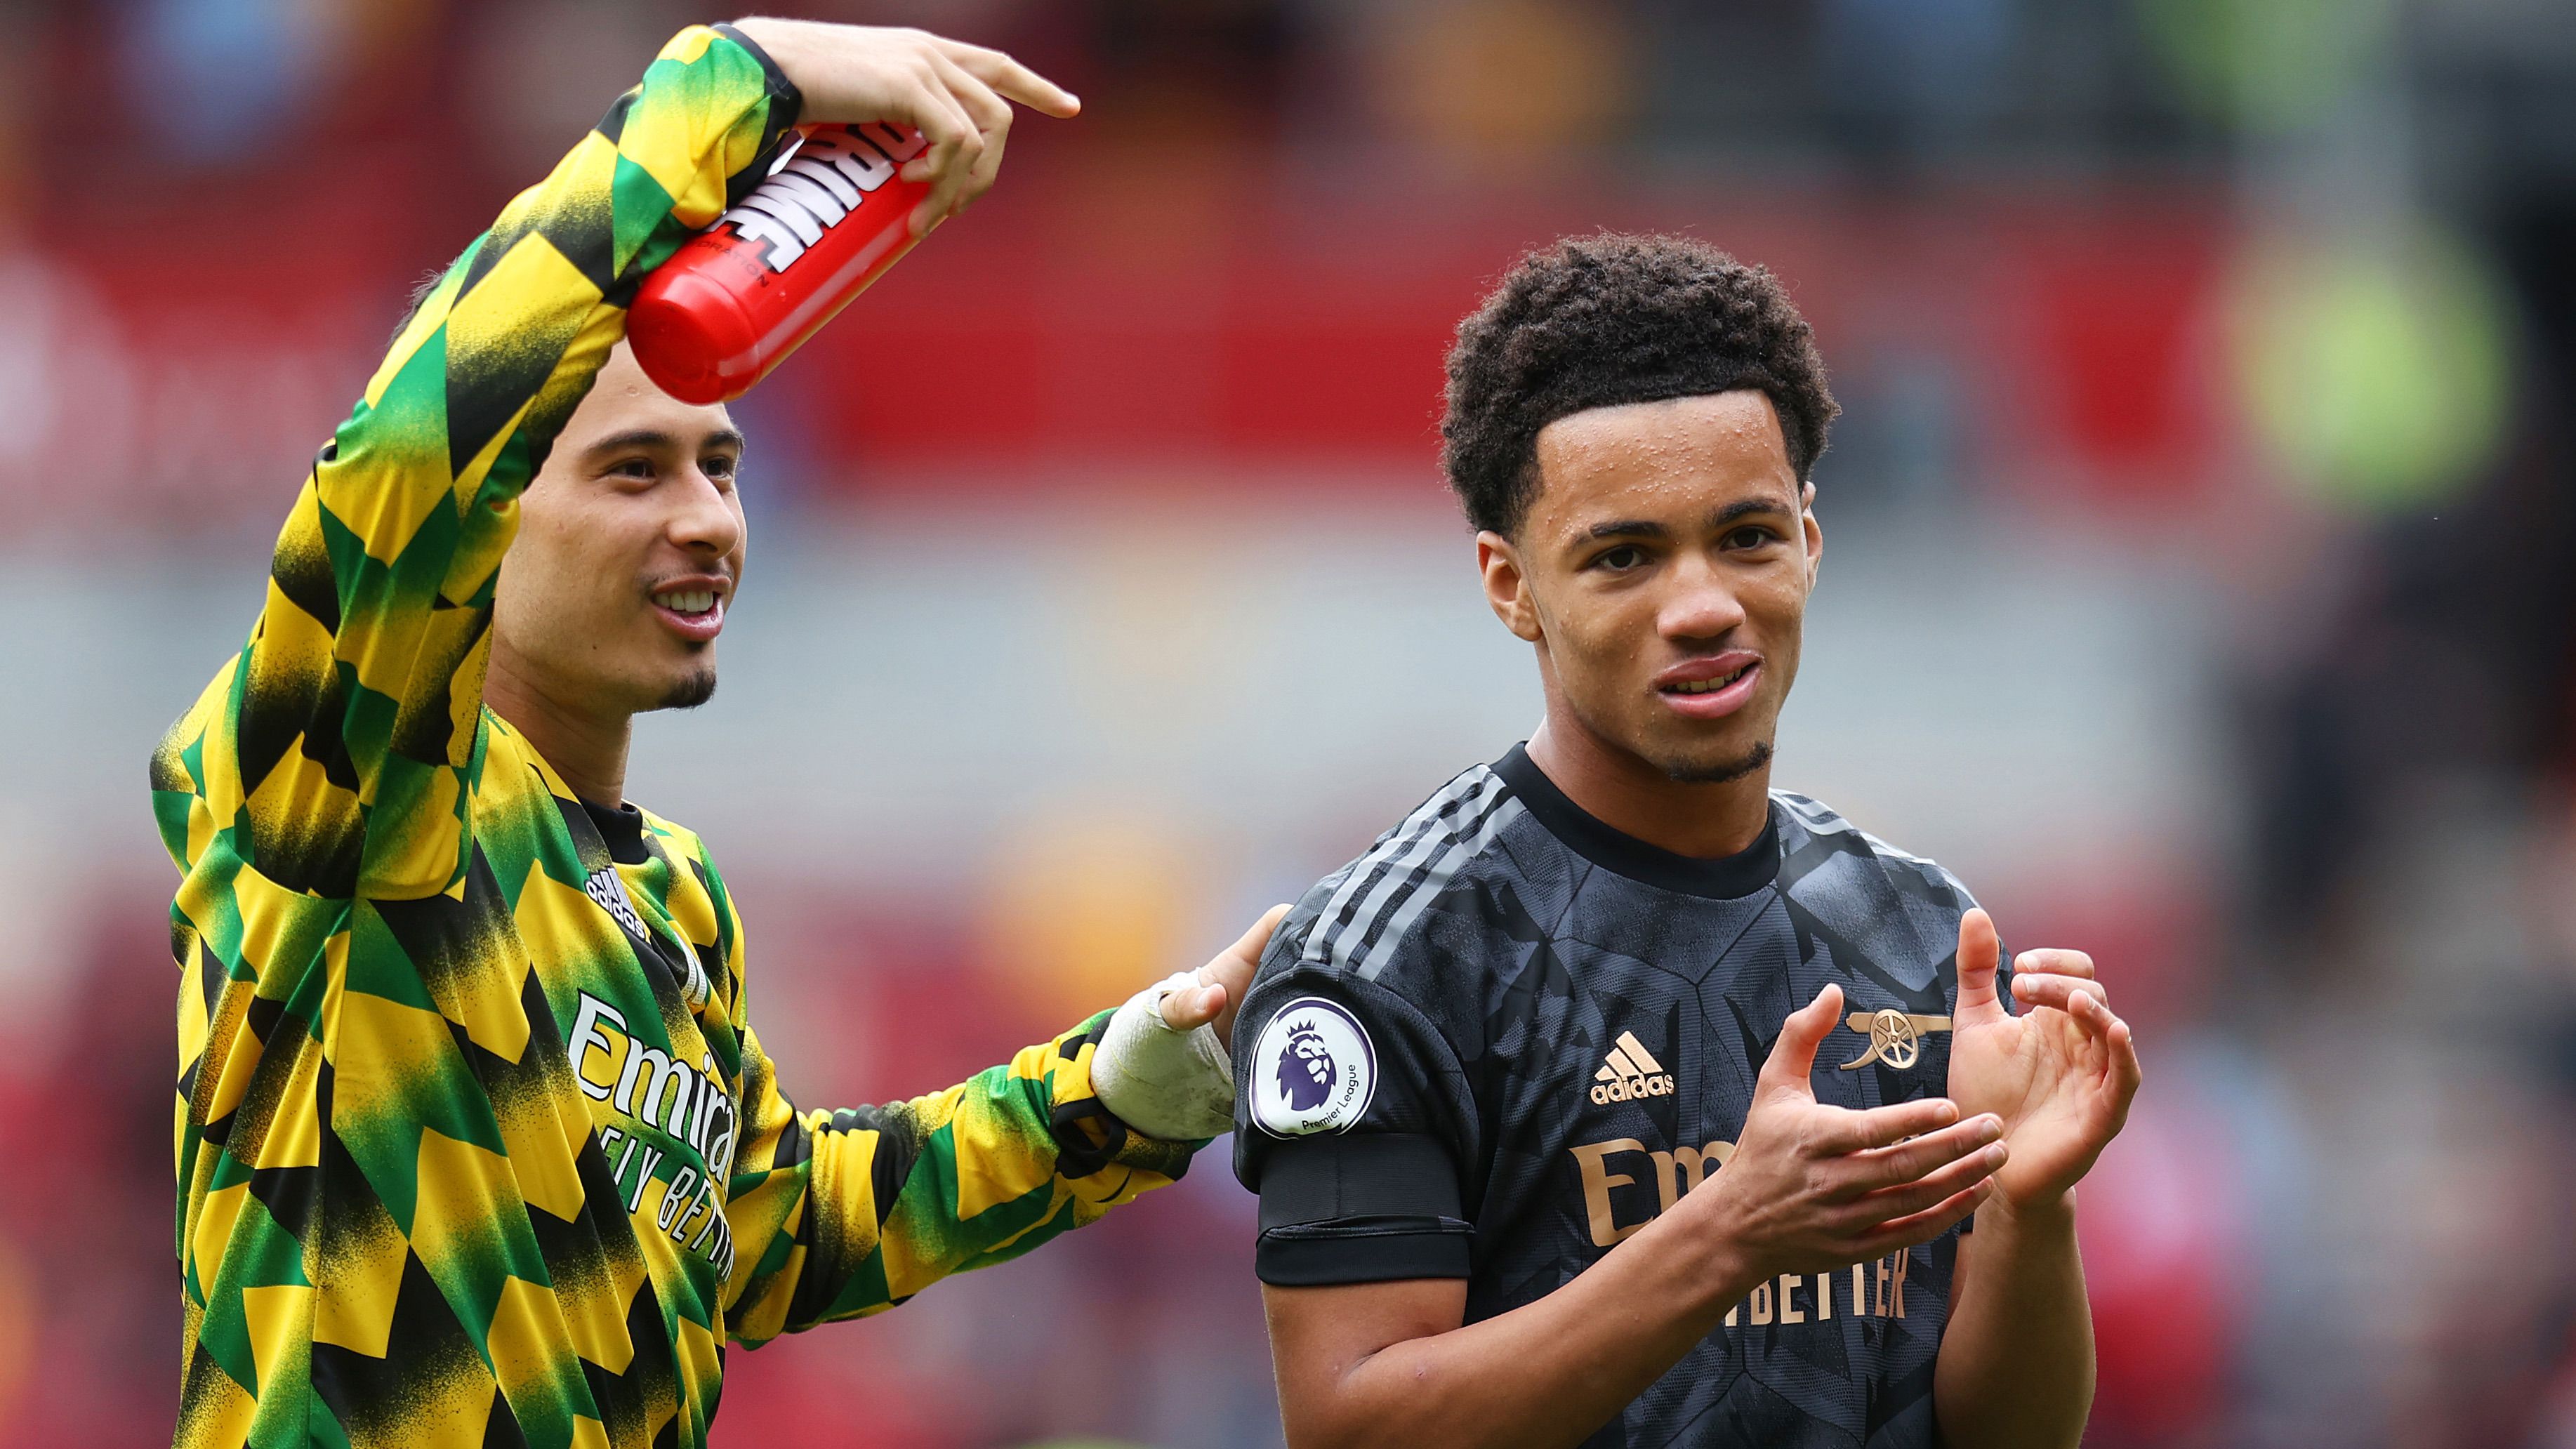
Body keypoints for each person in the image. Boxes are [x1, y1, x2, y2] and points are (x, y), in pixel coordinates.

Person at [149, 20, 1269, 1448]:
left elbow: (765, 1236)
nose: (705, 521)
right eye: (632, 471)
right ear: (484, 518)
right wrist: (731, 80)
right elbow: (400, 469)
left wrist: (1107, 1100)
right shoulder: (347, 789)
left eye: (719, 466)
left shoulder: (667, 891)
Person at [1230, 234, 2144, 1449]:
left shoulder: (1922, 935)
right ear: (1510, 587)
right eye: (1623, 556)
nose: (1704, 603)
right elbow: (1350, 1429)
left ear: (1811, 541)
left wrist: (2030, 1211)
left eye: (1747, 536)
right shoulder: (1388, 960)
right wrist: (1730, 1228)